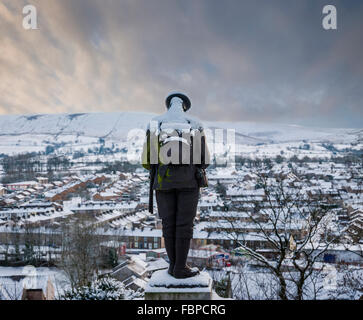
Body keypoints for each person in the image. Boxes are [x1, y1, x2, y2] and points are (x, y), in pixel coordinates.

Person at [142, 92, 210, 278]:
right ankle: (181, 267)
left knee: (168, 224)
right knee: (184, 225)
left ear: (168, 106)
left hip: (163, 184)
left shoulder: (155, 124)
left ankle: (173, 267)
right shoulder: (195, 124)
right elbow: (204, 160)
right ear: (185, 106)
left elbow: (147, 161)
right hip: (189, 184)